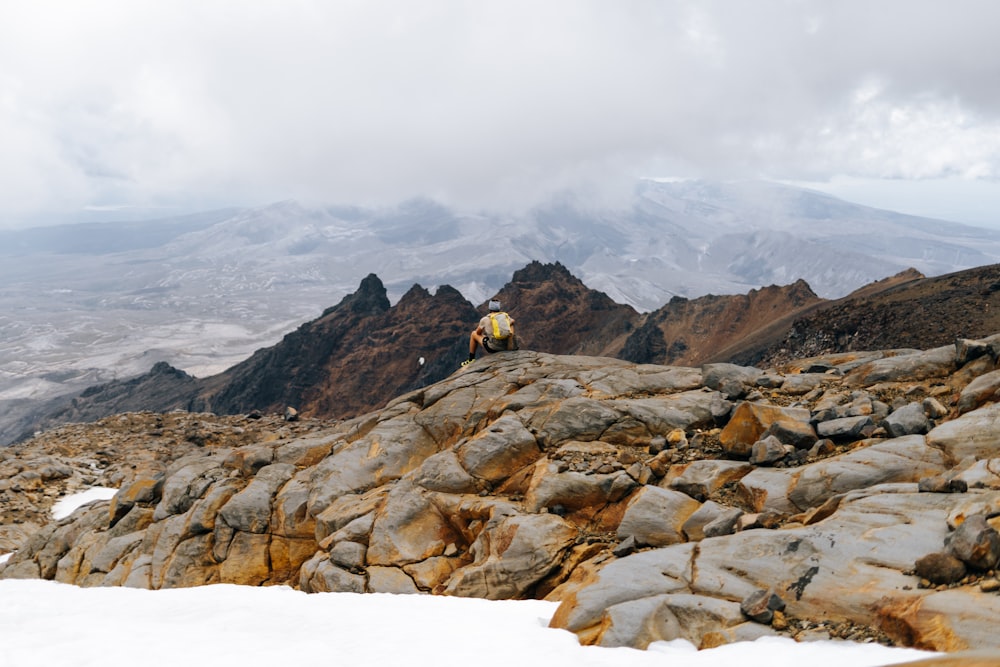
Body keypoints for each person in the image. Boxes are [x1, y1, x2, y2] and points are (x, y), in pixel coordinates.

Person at [463, 299, 517, 366]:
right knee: (511, 324)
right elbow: (513, 321)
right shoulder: (505, 317)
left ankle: (471, 359)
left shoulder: (485, 319)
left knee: (473, 334)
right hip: (507, 346)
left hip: (494, 348)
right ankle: (511, 345)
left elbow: (478, 333)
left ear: (490, 308)